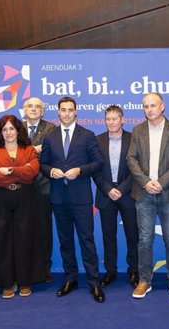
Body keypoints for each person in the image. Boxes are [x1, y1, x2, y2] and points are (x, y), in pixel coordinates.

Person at [40, 96, 105, 302]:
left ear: (76, 112)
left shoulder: (87, 135)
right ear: (58, 112)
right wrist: (51, 172)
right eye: (63, 110)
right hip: (59, 198)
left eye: (70, 110)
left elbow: (98, 162)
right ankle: (70, 278)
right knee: (65, 241)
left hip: (81, 198)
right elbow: (42, 164)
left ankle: (94, 282)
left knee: (87, 240)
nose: (67, 113)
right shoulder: (50, 137)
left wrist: (80, 170)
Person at [127, 92, 169, 300]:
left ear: (162, 106)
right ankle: (145, 280)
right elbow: (131, 160)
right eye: (145, 106)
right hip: (143, 193)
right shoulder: (137, 131)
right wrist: (146, 182)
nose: (149, 109)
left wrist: (161, 183)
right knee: (144, 239)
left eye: (153, 105)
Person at [0, 115, 46, 298]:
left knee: (25, 239)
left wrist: (8, 170)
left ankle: (25, 281)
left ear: (18, 131)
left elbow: (32, 172)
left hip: (25, 198)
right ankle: (7, 282)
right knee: (2, 240)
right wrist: (21, 170)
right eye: (5, 129)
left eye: (12, 128)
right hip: (0, 199)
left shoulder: (28, 149)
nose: (9, 133)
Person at [93, 105, 139, 288]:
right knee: (108, 235)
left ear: (122, 119)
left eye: (115, 118)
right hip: (106, 195)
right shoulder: (97, 141)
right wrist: (107, 189)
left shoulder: (133, 139)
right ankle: (110, 271)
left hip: (127, 194)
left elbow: (137, 167)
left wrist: (121, 188)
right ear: (105, 121)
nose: (111, 122)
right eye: (108, 119)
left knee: (132, 235)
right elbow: (95, 169)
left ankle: (134, 270)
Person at [22, 97, 56, 280]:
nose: (33, 109)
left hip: (44, 187)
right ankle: (24, 268)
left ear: (43, 111)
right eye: (30, 106)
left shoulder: (51, 128)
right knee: (22, 230)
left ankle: (44, 268)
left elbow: (51, 150)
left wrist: (25, 151)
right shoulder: (16, 127)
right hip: (20, 188)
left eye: (37, 107)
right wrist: (36, 149)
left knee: (44, 230)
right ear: (24, 109)